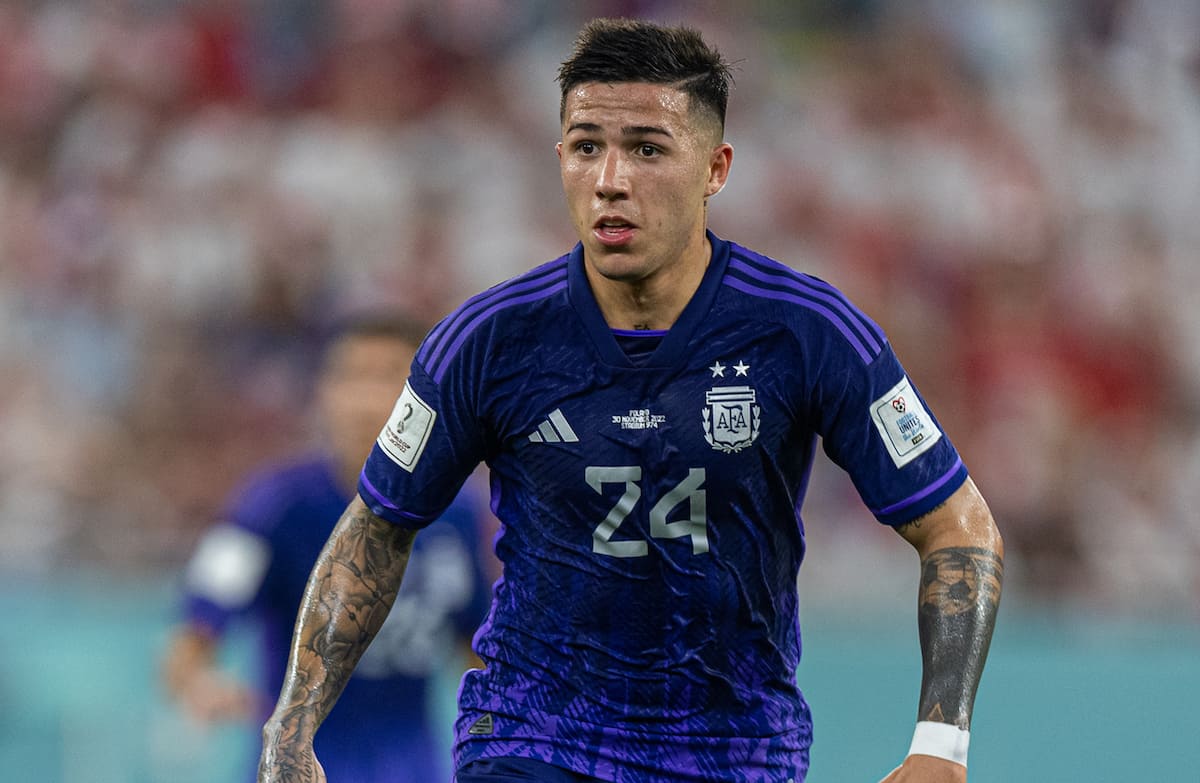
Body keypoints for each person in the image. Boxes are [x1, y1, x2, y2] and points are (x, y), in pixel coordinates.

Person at [258, 18, 1003, 783]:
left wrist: (940, 746)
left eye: (647, 149)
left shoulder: (808, 333)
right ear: (560, 159)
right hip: (532, 736)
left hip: (733, 752)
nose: (611, 179)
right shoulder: (488, 340)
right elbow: (377, 526)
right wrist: (293, 724)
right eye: (586, 147)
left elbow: (959, 525)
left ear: (716, 169)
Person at [163, 311, 494, 783]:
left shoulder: (460, 514)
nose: (366, 399)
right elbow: (191, 636)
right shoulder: (271, 507)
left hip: (414, 768)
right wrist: (199, 684)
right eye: (352, 376)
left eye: (388, 378)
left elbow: (478, 648)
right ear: (323, 393)